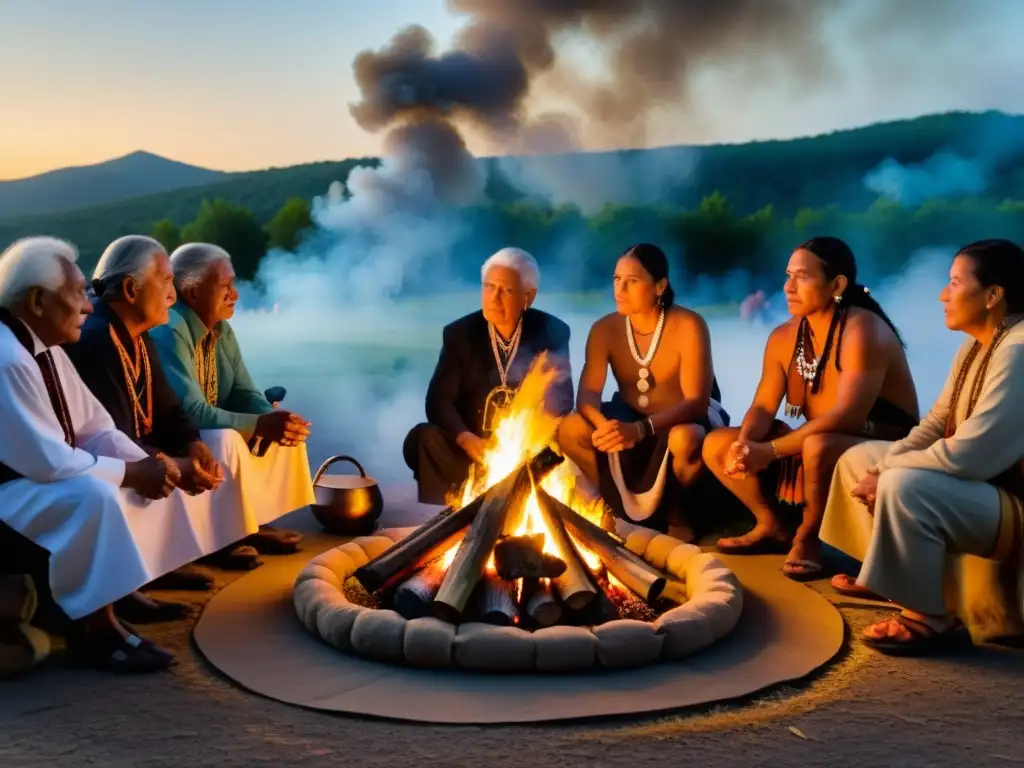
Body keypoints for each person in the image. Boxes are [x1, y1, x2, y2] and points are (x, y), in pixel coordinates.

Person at [0, 236, 228, 673]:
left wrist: (158, 467)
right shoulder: (8, 357)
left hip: (29, 483)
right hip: (9, 491)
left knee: (122, 479)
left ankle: (120, 593)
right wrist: (134, 471)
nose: (88, 305)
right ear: (38, 301)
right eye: (77, 293)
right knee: (95, 494)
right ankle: (95, 629)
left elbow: (96, 428)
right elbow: (48, 462)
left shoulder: (43, 348)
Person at [820, 239, 1024, 655]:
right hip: (986, 490)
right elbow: (934, 423)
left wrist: (892, 473)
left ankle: (930, 617)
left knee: (905, 486)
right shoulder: (977, 344)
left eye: (953, 283)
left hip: (1014, 502)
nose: (942, 294)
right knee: (858, 459)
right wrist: (884, 465)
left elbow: (972, 453)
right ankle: (895, 582)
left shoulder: (1018, 351)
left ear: (992, 296)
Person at [702, 237, 919, 579]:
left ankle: (809, 537)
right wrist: (745, 445)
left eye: (802, 277)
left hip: (879, 444)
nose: (788, 287)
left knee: (818, 444)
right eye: (788, 276)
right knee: (717, 444)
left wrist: (770, 451)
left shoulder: (862, 329)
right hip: (819, 440)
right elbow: (762, 405)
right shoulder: (784, 336)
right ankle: (772, 526)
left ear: (837, 284)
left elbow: (847, 417)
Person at [149, 243, 315, 554]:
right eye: (225, 286)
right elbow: (190, 412)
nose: (234, 294)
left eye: (233, 284)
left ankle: (252, 523)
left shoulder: (221, 329)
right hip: (172, 436)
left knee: (283, 426)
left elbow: (243, 392)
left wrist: (271, 418)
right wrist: (257, 424)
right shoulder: (169, 329)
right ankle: (228, 536)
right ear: (192, 291)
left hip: (204, 424)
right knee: (226, 439)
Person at [556, 243, 728, 537]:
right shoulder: (604, 329)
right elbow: (587, 397)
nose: (619, 289)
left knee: (686, 437)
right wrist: (605, 428)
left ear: (660, 286)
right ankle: (604, 510)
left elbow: (697, 402)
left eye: (631, 282)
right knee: (571, 428)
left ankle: (678, 515)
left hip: (680, 418)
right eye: (616, 279)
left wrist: (639, 429)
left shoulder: (689, 325)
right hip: (629, 417)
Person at [403, 247, 573, 504]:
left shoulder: (552, 332)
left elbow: (562, 399)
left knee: (569, 438)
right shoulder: (460, 334)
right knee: (424, 438)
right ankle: (446, 517)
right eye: (488, 286)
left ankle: (526, 505)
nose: (494, 297)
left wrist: (522, 442)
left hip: (527, 452)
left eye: (505, 290)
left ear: (529, 296)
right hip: (472, 452)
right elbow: (439, 401)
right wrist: (466, 438)